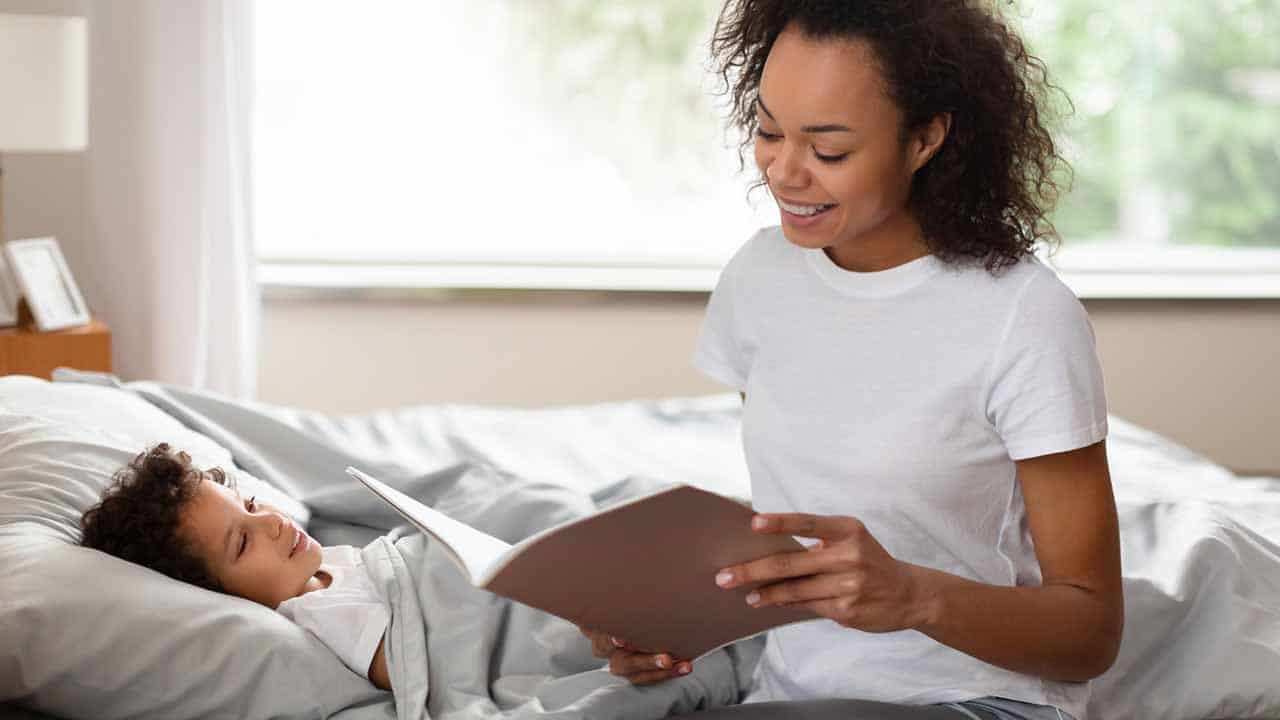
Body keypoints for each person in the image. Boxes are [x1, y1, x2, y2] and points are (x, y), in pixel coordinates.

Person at [580, 1, 1123, 719]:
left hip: (973, 700)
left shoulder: (1024, 316)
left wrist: (915, 595)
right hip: (789, 689)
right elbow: (794, 517)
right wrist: (666, 612)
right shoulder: (761, 277)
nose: (783, 171)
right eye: (768, 131)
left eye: (828, 149)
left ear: (926, 138)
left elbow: (1090, 632)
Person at [79, 443, 394, 692]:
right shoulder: (325, 617)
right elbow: (424, 661)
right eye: (242, 542)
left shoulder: (325, 564)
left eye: (251, 505)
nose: (272, 521)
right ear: (221, 595)